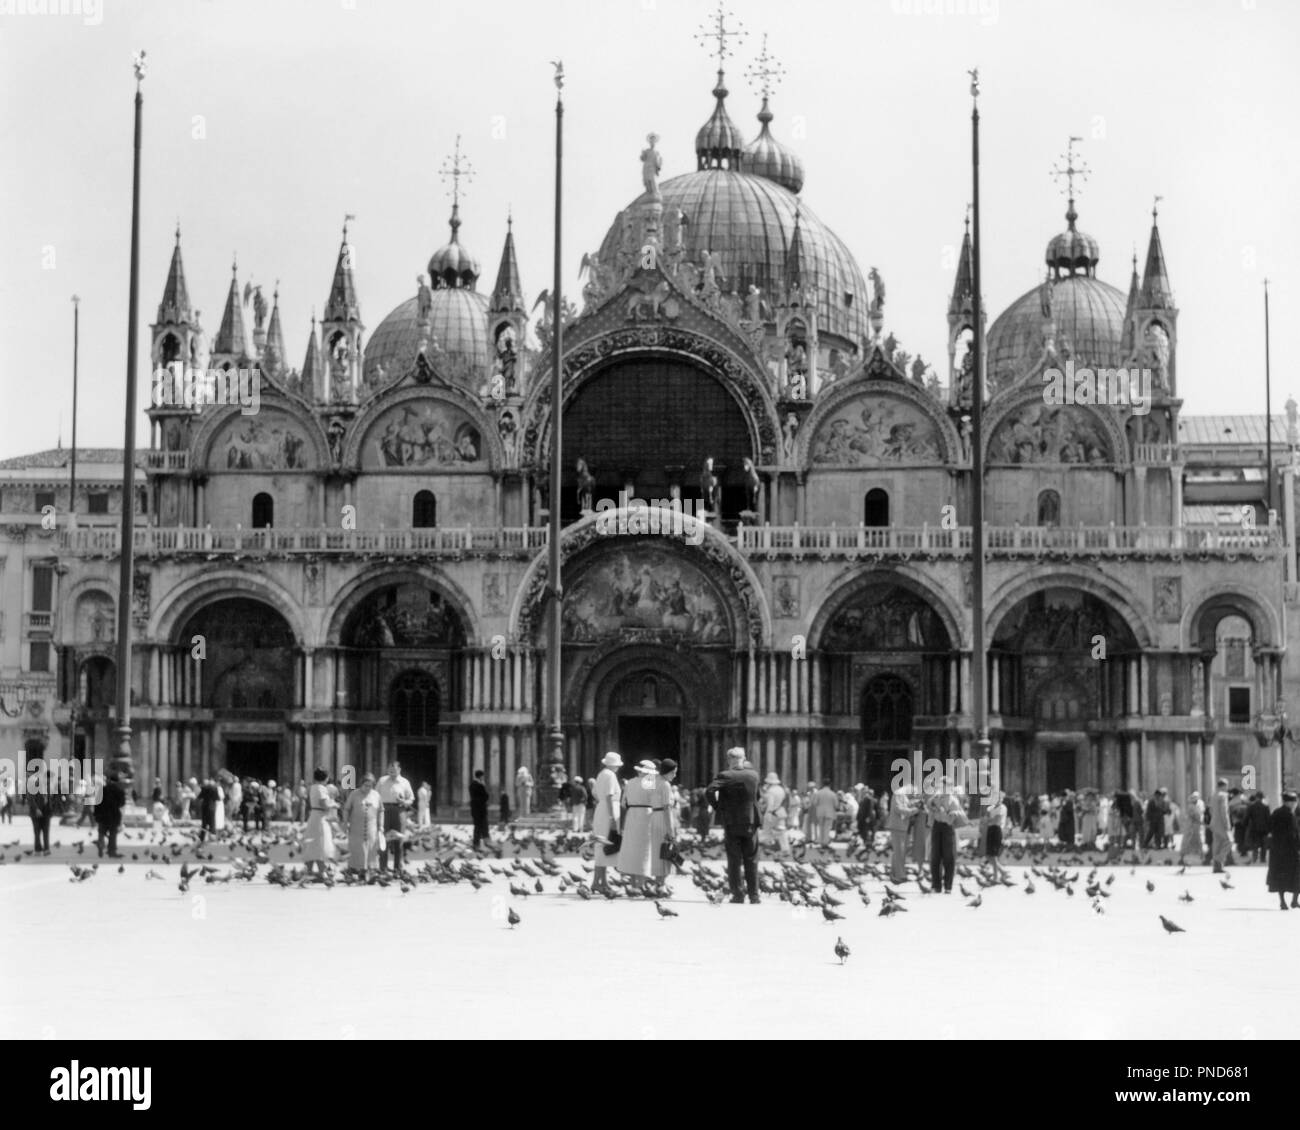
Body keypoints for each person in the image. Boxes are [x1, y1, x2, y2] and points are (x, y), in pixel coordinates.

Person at [706, 747, 762, 904]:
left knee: (734, 859)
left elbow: (709, 791)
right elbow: (757, 796)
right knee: (752, 859)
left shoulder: (725, 775)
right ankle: (754, 896)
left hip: (731, 822)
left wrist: (718, 807)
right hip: (750, 821)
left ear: (729, 760)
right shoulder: (753, 775)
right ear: (743, 759)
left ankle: (738, 895)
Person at [617, 761, 669, 890]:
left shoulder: (629, 782)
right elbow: (655, 800)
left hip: (631, 815)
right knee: (643, 850)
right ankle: (640, 884)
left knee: (632, 850)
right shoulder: (649, 781)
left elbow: (623, 803)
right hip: (646, 815)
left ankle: (634, 883)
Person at [591, 752, 623, 893]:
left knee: (601, 846)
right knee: (604, 845)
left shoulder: (601, 774)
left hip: (601, 809)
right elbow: (609, 796)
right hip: (608, 811)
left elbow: (596, 794)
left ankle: (601, 881)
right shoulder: (610, 775)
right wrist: (611, 817)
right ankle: (597, 882)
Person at [376, 762, 415, 873]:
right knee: (384, 839)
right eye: (390, 769)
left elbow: (411, 798)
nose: (392, 771)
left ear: (399, 769)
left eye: (394, 769)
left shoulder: (405, 782)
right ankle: (382, 867)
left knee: (399, 839)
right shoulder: (382, 781)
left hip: (399, 810)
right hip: (384, 810)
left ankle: (398, 868)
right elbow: (375, 794)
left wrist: (405, 802)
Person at [1266, 791, 1300, 910]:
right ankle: (1295, 900)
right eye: (1295, 802)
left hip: (1277, 850)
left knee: (1280, 877)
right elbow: (1293, 834)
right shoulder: (1290, 815)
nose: (1296, 804)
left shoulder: (1275, 812)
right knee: (1297, 875)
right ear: (1290, 803)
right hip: (1290, 851)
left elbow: (1269, 828)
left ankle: (1283, 902)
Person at [342, 773, 381, 875]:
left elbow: (381, 811)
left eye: (370, 786)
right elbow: (346, 809)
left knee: (371, 848)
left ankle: (370, 869)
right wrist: (345, 822)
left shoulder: (376, 795)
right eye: (366, 785)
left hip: (371, 827)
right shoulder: (354, 794)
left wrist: (381, 826)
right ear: (361, 784)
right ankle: (355, 869)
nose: (368, 788)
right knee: (357, 848)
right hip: (356, 827)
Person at [928, 784, 964, 893]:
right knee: (935, 856)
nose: (942, 789)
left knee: (949, 857)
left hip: (947, 827)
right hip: (937, 826)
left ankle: (948, 886)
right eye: (941, 786)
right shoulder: (936, 797)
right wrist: (934, 805)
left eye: (944, 786)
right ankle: (936, 885)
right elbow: (929, 804)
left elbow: (956, 813)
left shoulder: (953, 800)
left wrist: (949, 813)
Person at [302, 767, 337, 878]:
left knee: (313, 844)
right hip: (320, 818)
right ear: (326, 778)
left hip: (314, 815)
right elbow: (324, 804)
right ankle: (322, 871)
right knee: (321, 844)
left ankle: (308, 870)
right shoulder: (321, 788)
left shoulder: (313, 787)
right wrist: (333, 804)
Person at [96, 773, 127, 859]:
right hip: (114, 815)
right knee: (113, 834)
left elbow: (97, 803)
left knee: (101, 831)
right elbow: (122, 804)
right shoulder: (120, 791)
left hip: (103, 815)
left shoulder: (102, 790)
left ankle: (100, 845)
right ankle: (111, 851)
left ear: (109, 780)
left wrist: (97, 815)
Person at [886, 787, 913, 883]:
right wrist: (913, 811)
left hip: (901, 826)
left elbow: (905, 806)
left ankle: (895, 874)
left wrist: (914, 806)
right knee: (899, 852)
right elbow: (898, 809)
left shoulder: (903, 795)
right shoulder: (899, 794)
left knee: (899, 851)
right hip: (898, 826)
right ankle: (900, 875)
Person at [761, 772, 790, 855]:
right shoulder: (781, 789)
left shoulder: (770, 791)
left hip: (772, 812)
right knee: (781, 832)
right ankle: (785, 849)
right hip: (781, 812)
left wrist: (768, 813)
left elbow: (770, 804)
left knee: (767, 831)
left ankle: (769, 848)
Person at [983, 790, 1008, 879]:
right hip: (990, 830)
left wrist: (990, 820)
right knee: (988, 855)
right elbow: (986, 820)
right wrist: (990, 820)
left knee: (993, 855)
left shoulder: (1002, 808)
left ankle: (996, 876)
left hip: (997, 830)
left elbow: (996, 820)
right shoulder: (990, 808)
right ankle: (1002, 871)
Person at [1210, 778, 1234, 872]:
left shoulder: (1213, 795)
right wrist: (1227, 823)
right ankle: (1218, 860)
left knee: (1217, 844)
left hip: (1214, 822)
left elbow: (1211, 810)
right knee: (1229, 841)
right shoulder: (1223, 795)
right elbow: (1224, 811)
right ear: (1223, 786)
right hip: (1221, 823)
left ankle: (1217, 867)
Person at [29, 778, 54, 855]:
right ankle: (38, 849)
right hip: (36, 814)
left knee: (46, 831)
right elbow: (31, 799)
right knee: (37, 832)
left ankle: (46, 849)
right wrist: (36, 809)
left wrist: (52, 810)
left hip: (46, 813)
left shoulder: (49, 789)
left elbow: (52, 800)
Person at [1246, 791, 1271, 864]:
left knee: (1255, 845)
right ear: (1262, 798)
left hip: (1254, 828)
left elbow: (1247, 817)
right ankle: (1263, 859)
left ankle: (1255, 858)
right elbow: (1268, 818)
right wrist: (1270, 829)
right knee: (1264, 845)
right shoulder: (1266, 807)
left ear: (1256, 797)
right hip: (1264, 829)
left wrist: (1245, 825)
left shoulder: (1251, 806)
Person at [812, 780, 839, 849]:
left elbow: (815, 803)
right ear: (829, 785)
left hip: (820, 812)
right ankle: (825, 843)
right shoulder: (833, 794)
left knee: (821, 828)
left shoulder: (818, 793)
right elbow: (836, 805)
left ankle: (821, 842)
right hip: (829, 813)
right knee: (827, 828)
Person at [1182, 791, 1207, 861]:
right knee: (1189, 840)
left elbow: (1201, 813)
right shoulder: (1191, 806)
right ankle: (1184, 855)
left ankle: (1200, 854)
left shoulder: (1199, 804)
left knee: (1198, 840)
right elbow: (1193, 816)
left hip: (1197, 826)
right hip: (1192, 826)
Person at [469, 769, 491, 848]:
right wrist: (483, 786)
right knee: (484, 826)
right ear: (481, 776)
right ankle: (486, 842)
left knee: (477, 827)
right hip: (481, 810)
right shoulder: (480, 785)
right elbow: (485, 796)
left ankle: (476, 843)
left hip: (474, 809)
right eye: (483, 776)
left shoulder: (471, 785)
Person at [198, 777, 220, 842]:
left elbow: (199, 797)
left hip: (204, 807)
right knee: (212, 823)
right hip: (212, 807)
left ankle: (202, 837)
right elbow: (217, 798)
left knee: (204, 823)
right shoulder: (215, 789)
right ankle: (212, 838)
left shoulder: (204, 789)